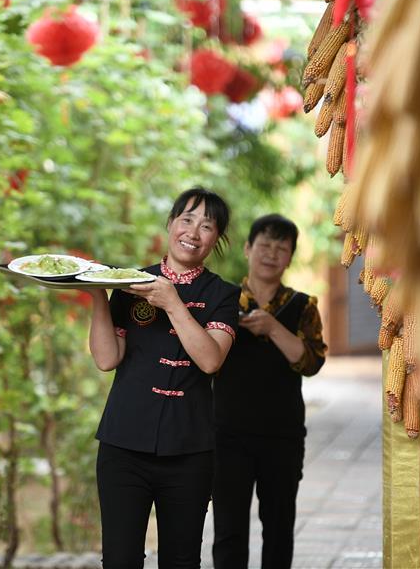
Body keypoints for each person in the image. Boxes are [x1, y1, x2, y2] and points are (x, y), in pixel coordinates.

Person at [87, 187, 241, 569]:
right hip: (123, 446)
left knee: (181, 560)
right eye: (186, 219)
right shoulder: (130, 283)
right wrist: (95, 294)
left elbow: (210, 361)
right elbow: (107, 359)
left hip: (189, 450)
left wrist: (173, 302)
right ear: (171, 224)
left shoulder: (224, 295)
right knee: (119, 561)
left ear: (216, 240)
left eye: (207, 226)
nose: (194, 231)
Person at [211, 214, 327, 569]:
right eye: (264, 245)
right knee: (228, 531)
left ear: (290, 258)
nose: (271, 254)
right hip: (226, 434)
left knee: (278, 528)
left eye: (281, 248)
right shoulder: (222, 300)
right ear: (247, 249)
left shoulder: (303, 306)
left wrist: (274, 328)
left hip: (282, 435)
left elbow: (310, 362)